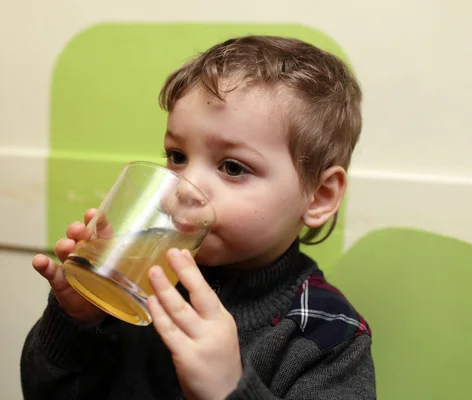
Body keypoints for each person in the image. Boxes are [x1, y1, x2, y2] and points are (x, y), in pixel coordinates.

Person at [20, 35, 375, 399]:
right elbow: (42, 392)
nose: (184, 187)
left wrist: (228, 389)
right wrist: (75, 324)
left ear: (319, 196)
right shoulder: (139, 272)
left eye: (233, 167)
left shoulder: (329, 335)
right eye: (176, 156)